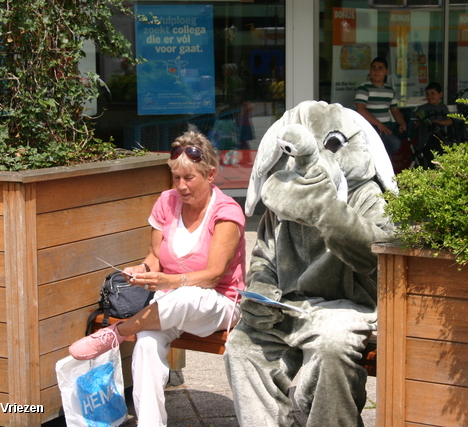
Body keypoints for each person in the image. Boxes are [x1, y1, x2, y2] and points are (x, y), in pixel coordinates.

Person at [224, 100, 397, 426]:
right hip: (288, 308)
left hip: (346, 307)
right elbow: (263, 257)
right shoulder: (285, 197)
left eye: (332, 144)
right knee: (242, 348)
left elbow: (377, 254)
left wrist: (327, 210)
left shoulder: (367, 196)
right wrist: (260, 289)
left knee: (331, 347)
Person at [68, 131, 246, 426]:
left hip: (218, 304)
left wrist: (168, 282)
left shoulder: (226, 213)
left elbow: (214, 276)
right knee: (147, 346)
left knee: (187, 296)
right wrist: (141, 271)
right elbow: (154, 258)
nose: (181, 186)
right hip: (167, 305)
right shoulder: (166, 202)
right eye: (176, 178)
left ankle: (117, 333)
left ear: (210, 174)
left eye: (189, 178)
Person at [355, 57, 408, 156]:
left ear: (386, 71)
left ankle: (380, 163)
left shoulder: (390, 90)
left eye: (380, 68)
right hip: (368, 129)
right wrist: (379, 125)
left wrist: (402, 123)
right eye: (374, 68)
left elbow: (395, 111)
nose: (376, 71)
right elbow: (361, 110)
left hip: (384, 129)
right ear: (370, 70)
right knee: (395, 144)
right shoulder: (364, 88)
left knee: (389, 148)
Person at [413, 82, 453, 168]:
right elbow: (415, 126)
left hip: (440, 138)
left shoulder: (443, 107)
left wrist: (440, 123)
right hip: (425, 140)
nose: (430, 97)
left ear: (440, 94)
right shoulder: (422, 108)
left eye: (433, 94)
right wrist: (419, 119)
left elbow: (450, 121)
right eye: (427, 94)